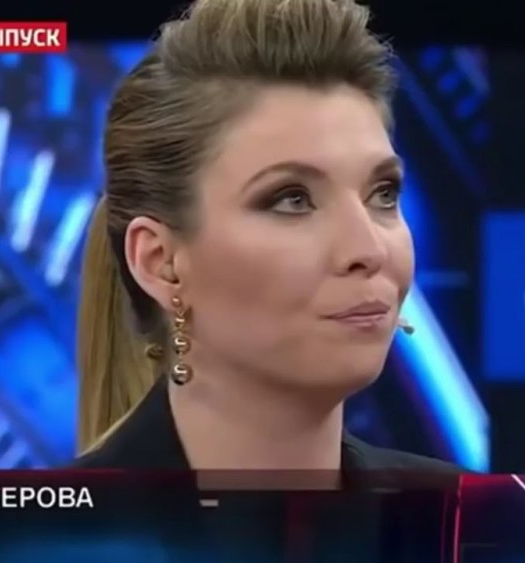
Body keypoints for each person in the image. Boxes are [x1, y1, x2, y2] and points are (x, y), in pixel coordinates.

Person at [72, 0, 461, 479]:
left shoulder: (464, 514)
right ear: (160, 262)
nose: (369, 249)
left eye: (383, 194)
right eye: (292, 200)